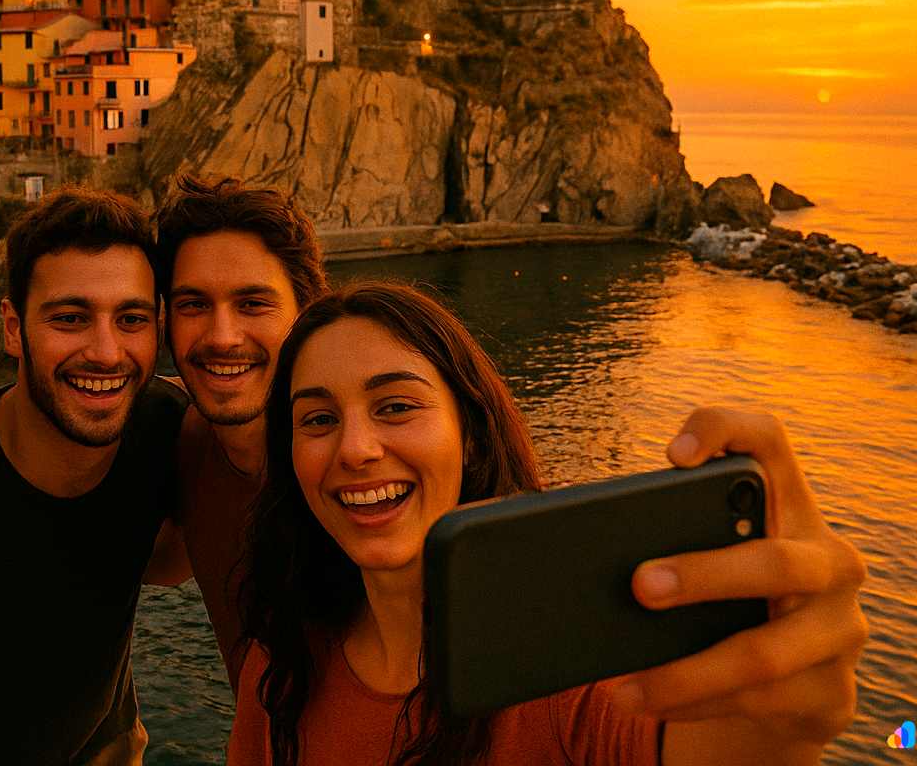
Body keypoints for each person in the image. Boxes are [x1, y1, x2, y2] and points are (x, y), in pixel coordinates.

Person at [230, 281, 868, 766]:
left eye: (396, 406)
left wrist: (782, 722)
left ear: (470, 438)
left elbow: (721, 746)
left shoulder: (563, 670)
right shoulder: (280, 667)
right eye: (317, 419)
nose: (355, 449)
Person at [0, 184, 188, 766]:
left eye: (132, 319)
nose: (105, 351)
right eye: (70, 318)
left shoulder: (169, 431)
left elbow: (172, 561)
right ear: (13, 328)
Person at [151, 174, 330, 691]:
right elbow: (166, 563)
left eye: (253, 304)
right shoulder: (184, 441)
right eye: (193, 305)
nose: (222, 337)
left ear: (307, 311)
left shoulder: (364, 469)